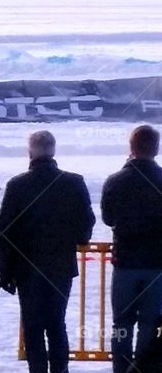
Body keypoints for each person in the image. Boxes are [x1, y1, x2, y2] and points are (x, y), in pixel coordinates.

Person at [0, 131, 95, 373]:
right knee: (56, 324)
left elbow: (5, 233)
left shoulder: (17, 185)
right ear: (53, 150)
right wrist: (78, 240)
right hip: (60, 266)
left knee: (32, 327)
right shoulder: (74, 183)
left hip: (26, 268)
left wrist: (5, 273)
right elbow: (86, 222)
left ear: (30, 152)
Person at [102, 125, 162, 373]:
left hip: (125, 263)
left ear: (131, 148)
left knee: (121, 325)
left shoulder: (116, 181)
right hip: (157, 266)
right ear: (156, 149)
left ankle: (121, 368)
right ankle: (144, 369)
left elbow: (107, 218)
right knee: (149, 324)